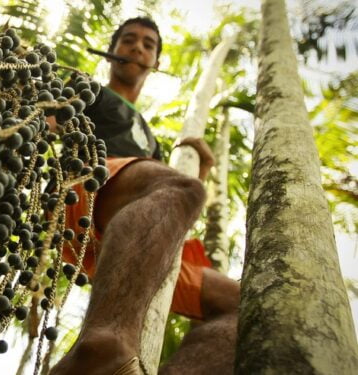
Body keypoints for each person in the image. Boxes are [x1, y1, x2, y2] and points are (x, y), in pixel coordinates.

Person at [47, 17, 241, 375]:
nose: (138, 47)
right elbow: (42, 119)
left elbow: (166, 209)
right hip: (85, 192)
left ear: (156, 63)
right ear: (112, 51)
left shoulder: (151, 139)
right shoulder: (90, 90)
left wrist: (202, 169)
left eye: (148, 44)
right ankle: (104, 346)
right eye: (129, 40)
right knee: (180, 188)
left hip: (127, 242)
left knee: (246, 311)